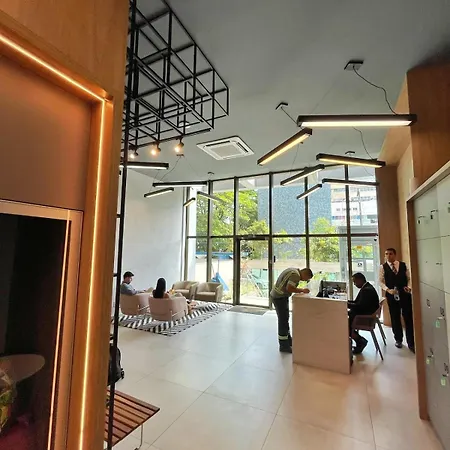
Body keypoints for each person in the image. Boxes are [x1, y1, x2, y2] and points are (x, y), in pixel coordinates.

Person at [379, 247, 415, 352]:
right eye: (386, 254)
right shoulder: (383, 267)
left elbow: (409, 278)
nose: (388, 256)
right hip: (391, 294)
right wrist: (387, 289)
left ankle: (411, 342)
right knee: (395, 317)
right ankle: (398, 339)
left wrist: (409, 287)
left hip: (404, 294)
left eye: (390, 254)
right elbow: (380, 281)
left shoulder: (403, 265)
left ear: (395, 255)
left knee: (408, 317)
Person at [270, 267, 313, 353]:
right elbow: (289, 288)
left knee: (285, 318)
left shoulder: (293, 270)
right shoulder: (295, 275)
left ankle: (288, 340)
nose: (304, 281)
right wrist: (302, 290)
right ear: (305, 274)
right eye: (306, 279)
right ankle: (283, 345)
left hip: (278, 296)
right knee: (283, 320)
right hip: (279, 297)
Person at [348, 272, 380, 354]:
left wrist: (347, 304)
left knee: (344, 323)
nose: (354, 284)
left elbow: (360, 306)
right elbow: (357, 303)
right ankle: (357, 339)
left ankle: (360, 341)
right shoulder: (366, 287)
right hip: (366, 313)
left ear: (360, 280)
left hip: (365, 318)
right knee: (346, 317)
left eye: (355, 282)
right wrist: (347, 303)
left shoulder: (366, 290)